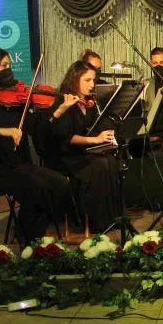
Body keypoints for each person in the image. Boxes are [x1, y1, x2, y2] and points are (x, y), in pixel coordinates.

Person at [0, 47, 69, 243]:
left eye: (9, 65)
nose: (10, 70)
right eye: (4, 65)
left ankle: (28, 232)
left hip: (16, 165)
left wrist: (58, 111)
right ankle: (31, 240)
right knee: (36, 186)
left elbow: (36, 127)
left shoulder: (12, 100)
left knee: (60, 184)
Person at [50, 60, 120, 232]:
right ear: (75, 80)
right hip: (68, 156)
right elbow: (67, 137)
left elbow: (95, 127)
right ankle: (92, 221)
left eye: (93, 80)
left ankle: (112, 217)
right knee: (99, 165)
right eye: (87, 80)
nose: (92, 85)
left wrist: (107, 134)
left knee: (111, 161)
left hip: (84, 151)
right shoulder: (64, 102)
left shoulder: (89, 102)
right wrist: (95, 140)